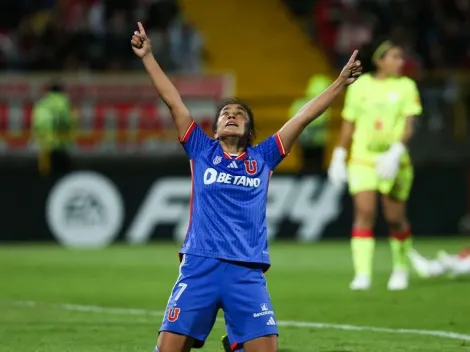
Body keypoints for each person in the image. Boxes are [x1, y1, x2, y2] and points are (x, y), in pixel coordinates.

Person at [131, 22, 362, 352]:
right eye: (225, 113)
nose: (232, 115)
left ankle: (237, 344)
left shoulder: (263, 157)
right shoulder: (202, 150)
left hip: (246, 270)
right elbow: (174, 101)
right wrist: (148, 57)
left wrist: (339, 83)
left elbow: (301, 118)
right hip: (200, 265)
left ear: (250, 128)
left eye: (240, 114)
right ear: (214, 129)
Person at [328, 39, 422, 291]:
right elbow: (349, 122)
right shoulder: (361, 87)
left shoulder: (406, 86)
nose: (400, 62)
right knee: (365, 212)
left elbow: (409, 126)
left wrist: (396, 151)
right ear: (380, 61)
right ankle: (362, 274)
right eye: (394, 57)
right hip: (362, 160)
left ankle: (400, 268)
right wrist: (339, 153)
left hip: (394, 160)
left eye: (401, 57)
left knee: (395, 218)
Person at [32, 82, 74, 178]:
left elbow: (36, 123)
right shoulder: (63, 102)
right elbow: (66, 122)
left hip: (44, 146)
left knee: (45, 175)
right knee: (63, 176)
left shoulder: (42, 103)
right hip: (60, 144)